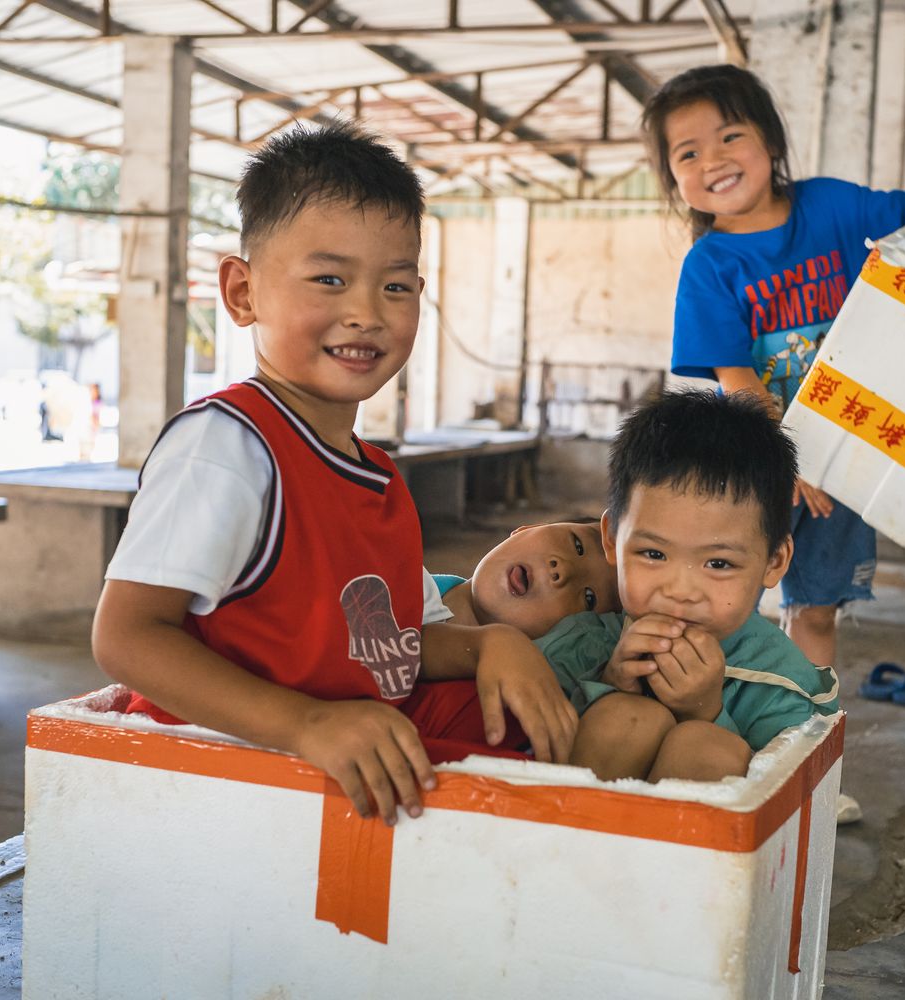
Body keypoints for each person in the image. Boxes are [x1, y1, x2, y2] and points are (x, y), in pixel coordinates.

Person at [92, 123, 577, 828]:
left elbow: (387, 655)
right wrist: (306, 724)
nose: (367, 313)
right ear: (242, 291)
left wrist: (490, 643)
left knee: (542, 721)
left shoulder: (376, 475)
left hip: (330, 743)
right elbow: (127, 638)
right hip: (220, 775)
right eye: (330, 279)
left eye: (396, 285)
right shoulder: (228, 445)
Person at [641, 64, 905, 670]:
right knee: (728, 603)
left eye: (729, 137)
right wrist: (787, 458)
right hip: (760, 455)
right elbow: (739, 382)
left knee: (817, 606)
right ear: (674, 178)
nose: (713, 161)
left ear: (771, 142)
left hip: (845, 454)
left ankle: (812, 723)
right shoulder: (709, 266)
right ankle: (716, 715)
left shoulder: (829, 206)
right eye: (688, 153)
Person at [534, 389, 839, 783]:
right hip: (564, 843)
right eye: (654, 554)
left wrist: (705, 711)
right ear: (611, 540)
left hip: (717, 844)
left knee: (706, 746)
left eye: (718, 563)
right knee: (624, 718)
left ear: (774, 560)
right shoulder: (573, 646)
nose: (680, 590)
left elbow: (802, 801)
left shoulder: (783, 686)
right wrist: (609, 683)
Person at [433, 517, 621, 639]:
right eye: (578, 545)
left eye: (589, 597)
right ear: (529, 528)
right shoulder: (407, 581)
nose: (563, 570)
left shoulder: (517, 694)